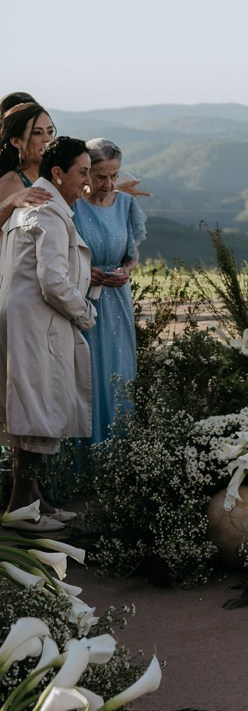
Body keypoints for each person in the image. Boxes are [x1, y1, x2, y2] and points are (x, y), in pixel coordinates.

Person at [0, 135, 95, 531]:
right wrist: (85, 312)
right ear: (58, 173)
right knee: (34, 411)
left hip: (28, 320)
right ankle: (21, 507)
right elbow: (53, 280)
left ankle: (35, 501)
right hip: (36, 322)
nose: (87, 183)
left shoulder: (39, 205)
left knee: (32, 407)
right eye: (83, 173)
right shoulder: (47, 214)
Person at [74, 139, 145, 445]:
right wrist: (83, 272)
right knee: (85, 376)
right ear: (86, 172)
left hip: (117, 301)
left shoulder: (127, 204)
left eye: (114, 175)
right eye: (100, 176)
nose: (108, 184)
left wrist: (126, 270)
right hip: (80, 300)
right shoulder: (72, 204)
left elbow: (132, 252)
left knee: (119, 373)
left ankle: (116, 456)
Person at [0, 102, 55, 227]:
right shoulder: (10, 184)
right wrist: (11, 201)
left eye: (50, 132)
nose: (47, 139)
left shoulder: (53, 175)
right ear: (16, 141)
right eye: (37, 133)